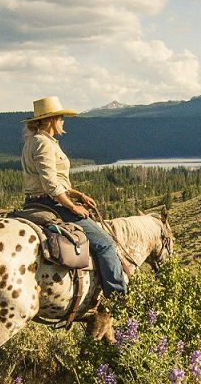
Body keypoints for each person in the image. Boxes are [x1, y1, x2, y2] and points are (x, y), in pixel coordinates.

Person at [21, 96, 127, 302]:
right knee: (105, 243)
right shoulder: (44, 143)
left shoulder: (32, 142)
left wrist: (78, 194)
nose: (63, 122)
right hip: (52, 204)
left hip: (34, 201)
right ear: (50, 120)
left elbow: (52, 180)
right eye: (60, 118)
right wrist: (72, 206)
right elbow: (50, 184)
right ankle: (118, 298)